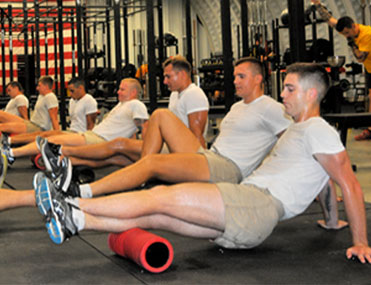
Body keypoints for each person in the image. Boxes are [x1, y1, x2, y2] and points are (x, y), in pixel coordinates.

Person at [34, 62, 371, 264]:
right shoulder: (301, 130)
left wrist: (361, 241)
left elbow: (348, 182)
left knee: (159, 198)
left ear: (311, 94)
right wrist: (331, 221)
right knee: (157, 216)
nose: (283, 94)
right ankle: (77, 221)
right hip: (246, 206)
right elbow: (325, 180)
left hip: (256, 205)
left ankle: (74, 201)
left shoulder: (319, 129)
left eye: (290, 89)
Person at [0, 57, 291, 217]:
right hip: (209, 156)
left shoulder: (270, 107)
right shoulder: (239, 106)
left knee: (131, 148)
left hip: (223, 167)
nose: (235, 80)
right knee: (146, 129)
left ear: (258, 78)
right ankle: (67, 162)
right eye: (235, 75)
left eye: (241, 76)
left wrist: (264, 182)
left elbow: (293, 145)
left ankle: (84, 189)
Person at [26, 55, 209, 169]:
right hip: (168, 145)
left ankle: (58, 153)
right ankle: (61, 159)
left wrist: (200, 166)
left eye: (168, 77)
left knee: (119, 145)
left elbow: (197, 135)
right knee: (116, 157)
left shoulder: (194, 94)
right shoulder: (175, 96)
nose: (166, 81)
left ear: (183, 74)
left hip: (182, 152)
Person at [0, 78, 148, 167]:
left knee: (51, 140)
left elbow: (144, 129)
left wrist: (147, 154)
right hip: (93, 135)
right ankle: (11, 150)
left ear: (133, 92)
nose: (118, 92)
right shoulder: (122, 105)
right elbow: (132, 131)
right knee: (52, 140)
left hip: (98, 139)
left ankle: (11, 153)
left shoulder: (136, 105)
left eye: (122, 89)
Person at [310, 0, 371, 142]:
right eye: (343, 34)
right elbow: (329, 19)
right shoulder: (348, 29)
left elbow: (359, 58)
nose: (345, 35)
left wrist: (351, 44)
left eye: (347, 33)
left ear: (353, 26)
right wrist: (317, 4)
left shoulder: (367, 35)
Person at [8, 77, 98, 146]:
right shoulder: (72, 101)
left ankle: (10, 147)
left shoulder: (89, 100)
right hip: (72, 131)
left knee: (46, 135)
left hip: (80, 135)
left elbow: (90, 125)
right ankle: (8, 141)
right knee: (43, 135)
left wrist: (88, 143)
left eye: (72, 91)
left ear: (81, 88)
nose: (70, 94)